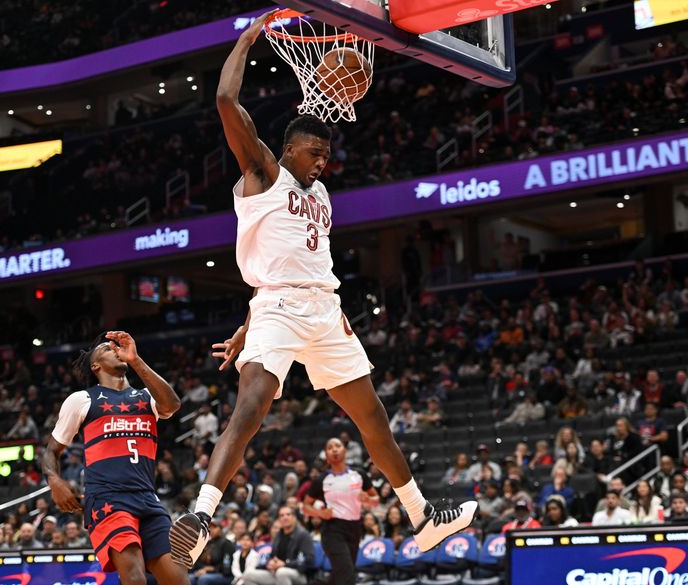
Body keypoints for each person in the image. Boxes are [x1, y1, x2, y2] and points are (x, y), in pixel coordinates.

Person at [169, 11, 477, 568]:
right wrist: (245, 40)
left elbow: (293, 256)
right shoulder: (264, 172)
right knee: (253, 402)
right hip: (279, 309)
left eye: (326, 155)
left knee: (372, 416)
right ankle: (200, 515)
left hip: (325, 311)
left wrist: (246, 326)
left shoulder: (323, 194)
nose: (322, 161)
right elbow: (223, 101)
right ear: (288, 151)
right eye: (314, 153)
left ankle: (421, 517)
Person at [41, 331, 187, 585]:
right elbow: (51, 451)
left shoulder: (147, 398)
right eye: (107, 349)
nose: (114, 349)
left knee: (178, 580)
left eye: (116, 347)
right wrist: (54, 481)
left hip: (147, 497)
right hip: (108, 499)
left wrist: (136, 360)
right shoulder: (82, 399)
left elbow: (172, 405)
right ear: (95, 365)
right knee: (135, 578)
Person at [303, 437, 378, 585]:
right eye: (330, 448)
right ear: (326, 454)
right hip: (332, 530)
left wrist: (368, 500)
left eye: (338, 446)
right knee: (347, 572)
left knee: (341, 574)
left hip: (355, 528)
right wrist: (320, 513)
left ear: (345, 450)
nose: (334, 449)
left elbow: (375, 499)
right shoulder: (322, 479)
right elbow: (305, 506)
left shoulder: (359, 475)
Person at [242, 506, 314, 585]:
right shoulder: (279, 534)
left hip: (299, 574)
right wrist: (270, 562)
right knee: (249, 575)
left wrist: (285, 564)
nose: (285, 517)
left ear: (294, 518)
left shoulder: (303, 535)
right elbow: (273, 555)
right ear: (279, 519)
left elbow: (308, 560)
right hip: (277, 572)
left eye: (288, 514)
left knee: (282, 572)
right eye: (282, 515)